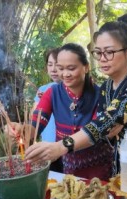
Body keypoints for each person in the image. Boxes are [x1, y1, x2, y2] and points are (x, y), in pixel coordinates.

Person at [24, 14, 127, 199]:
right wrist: (105, 127)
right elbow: (105, 129)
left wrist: (62, 146)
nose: (102, 59)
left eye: (109, 52)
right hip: (123, 170)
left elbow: (104, 123)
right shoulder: (107, 88)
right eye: (98, 53)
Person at [9, 43, 114, 180]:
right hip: (68, 171)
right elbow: (34, 127)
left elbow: (97, 133)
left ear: (86, 67)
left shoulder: (101, 95)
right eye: (60, 68)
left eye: (71, 68)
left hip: (99, 172)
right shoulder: (52, 93)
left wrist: (59, 147)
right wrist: (20, 129)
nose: (65, 74)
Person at [33, 48, 60, 142]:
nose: (53, 69)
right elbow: (33, 118)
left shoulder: (74, 88)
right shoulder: (42, 89)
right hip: (47, 143)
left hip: (68, 146)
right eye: (50, 64)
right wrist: (43, 101)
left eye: (57, 64)